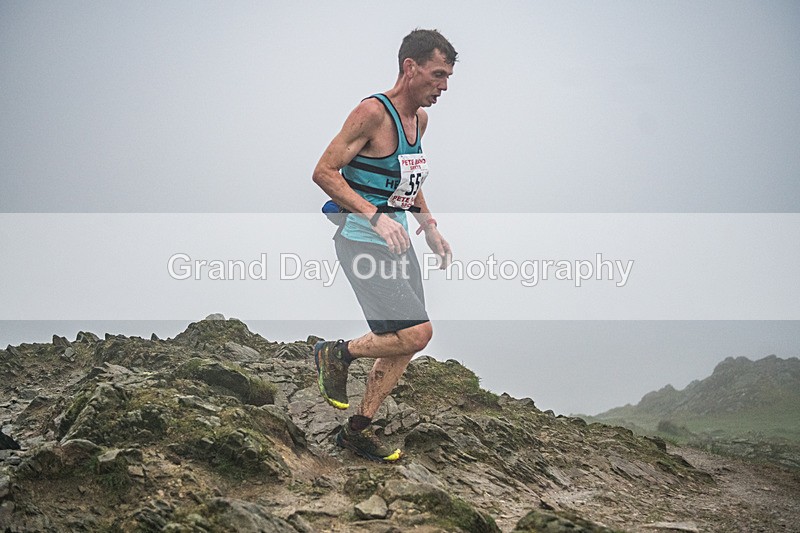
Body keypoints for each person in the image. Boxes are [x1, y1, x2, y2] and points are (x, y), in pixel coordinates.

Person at [311, 29, 457, 462]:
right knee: (418, 332)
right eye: (437, 75)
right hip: (361, 242)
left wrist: (428, 226)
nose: (444, 86)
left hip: (398, 243)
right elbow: (323, 171)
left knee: (403, 341)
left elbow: (406, 182)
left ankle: (358, 429)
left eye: (448, 77)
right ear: (409, 68)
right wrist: (372, 217)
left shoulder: (420, 122)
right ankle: (335, 353)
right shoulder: (372, 113)